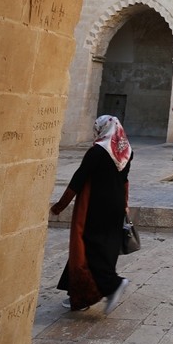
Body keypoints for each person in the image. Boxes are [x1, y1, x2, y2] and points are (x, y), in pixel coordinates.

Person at [50, 115, 132, 314]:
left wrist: (59, 206)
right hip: (116, 204)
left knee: (88, 246)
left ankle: (113, 285)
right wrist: (125, 206)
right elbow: (124, 181)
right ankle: (78, 295)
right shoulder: (125, 151)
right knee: (102, 247)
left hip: (97, 205)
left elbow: (78, 179)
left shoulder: (97, 151)